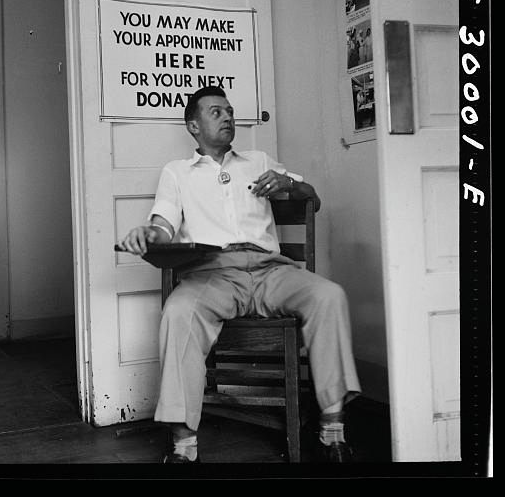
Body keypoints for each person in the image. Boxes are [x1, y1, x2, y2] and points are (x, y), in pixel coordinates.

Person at [119, 87, 361, 463]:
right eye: (216, 112)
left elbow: (313, 198)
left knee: (330, 295)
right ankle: (184, 448)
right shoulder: (177, 172)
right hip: (213, 275)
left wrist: (289, 185)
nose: (228, 117)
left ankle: (333, 433)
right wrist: (147, 235)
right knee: (179, 312)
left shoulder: (258, 160)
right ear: (193, 126)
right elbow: (163, 226)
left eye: (229, 111)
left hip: (270, 272)